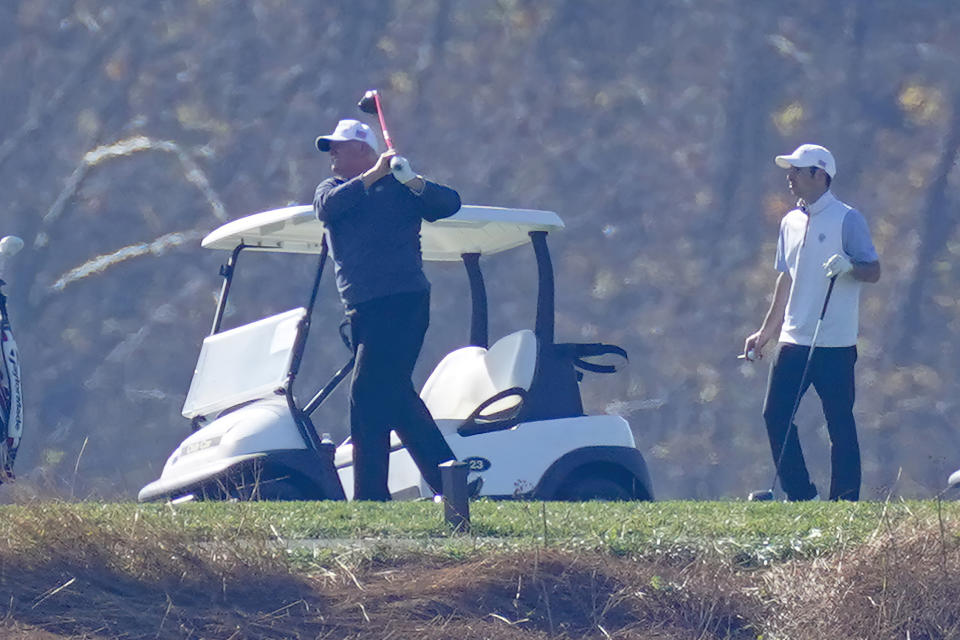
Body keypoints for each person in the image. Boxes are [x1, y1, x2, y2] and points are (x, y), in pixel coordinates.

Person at [313, 118, 461, 501]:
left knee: (365, 394)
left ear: (363, 150)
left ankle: (370, 498)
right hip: (362, 311)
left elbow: (448, 204)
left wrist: (414, 182)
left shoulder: (400, 187)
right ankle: (452, 480)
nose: (332, 153)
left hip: (402, 303)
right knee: (394, 396)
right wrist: (372, 177)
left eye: (339, 147)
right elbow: (327, 208)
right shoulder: (332, 190)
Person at [743, 144, 880, 501]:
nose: (790, 177)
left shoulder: (848, 219)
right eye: (790, 170)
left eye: (798, 171)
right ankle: (801, 494)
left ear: (821, 175)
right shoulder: (790, 222)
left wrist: (850, 266)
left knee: (840, 424)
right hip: (794, 339)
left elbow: (873, 269)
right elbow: (787, 279)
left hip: (834, 343)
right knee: (775, 415)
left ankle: (845, 501)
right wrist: (766, 332)